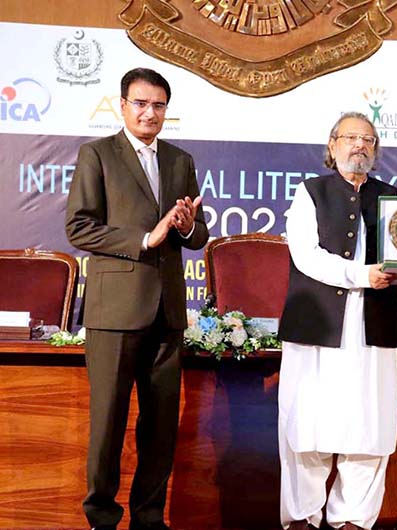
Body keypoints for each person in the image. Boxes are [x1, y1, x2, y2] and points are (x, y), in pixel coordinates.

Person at [65, 67, 208, 530]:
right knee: (108, 423)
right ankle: (101, 518)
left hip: (167, 313)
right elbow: (80, 226)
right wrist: (147, 237)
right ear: (122, 105)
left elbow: (196, 233)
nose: (150, 113)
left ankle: (149, 518)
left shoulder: (180, 160)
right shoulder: (98, 155)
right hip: (115, 313)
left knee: (160, 428)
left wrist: (185, 226)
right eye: (141, 103)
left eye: (159, 105)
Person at [277, 112, 397, 530]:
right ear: (332, 145)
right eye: (350, 138)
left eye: (368, 139)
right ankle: (301, 518)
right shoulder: (309, 192)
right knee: (306, 426)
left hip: (373, 328)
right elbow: (306, 256)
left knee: (370, 423)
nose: (359, 146)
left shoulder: (392, 196)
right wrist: (360, 275)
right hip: (316, 327)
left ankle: (353, 520)